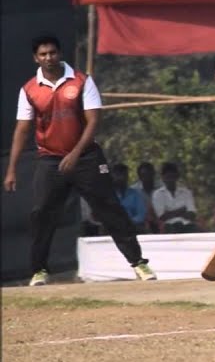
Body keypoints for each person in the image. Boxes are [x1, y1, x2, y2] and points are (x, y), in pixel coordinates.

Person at [4, 35, 156, 285]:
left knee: (109, 208)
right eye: (43, 54)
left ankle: (138, 263)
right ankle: (39, 270)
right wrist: (11, 169)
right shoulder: (29, 89)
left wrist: (75, 154)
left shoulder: (82, 80)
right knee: (41, 214)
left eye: (52, 52)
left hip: (86, 157)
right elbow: (22, 129)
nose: (49, 58)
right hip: (51, 159)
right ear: (35, 58)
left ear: (60, 53)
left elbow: (93, 121)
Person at [152, 161, 199, 233]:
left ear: (177, 177)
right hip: (168, 226)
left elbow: (192, 214)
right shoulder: (158, 194)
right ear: (163, 177)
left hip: (187, 224)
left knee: (199, 231)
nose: (170, 180)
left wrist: (170, 213)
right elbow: (162, 217)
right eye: (168, 177)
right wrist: (181, 210)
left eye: (172, 177)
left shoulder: (186, 192)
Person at [110, 163, 149, 232]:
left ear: (127, 177)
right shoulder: (109, 195)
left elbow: (141, 214)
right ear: (113, 177)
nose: (120, 178)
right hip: (113, 227)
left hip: (132, 226)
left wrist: (129, 221)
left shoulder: (135, 194)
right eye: (118, 175)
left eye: (123, 175)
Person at [131, 161, 161, 233]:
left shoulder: (161, 188)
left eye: (149, 174)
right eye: (143, 175)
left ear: (153, 174)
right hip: (141, 223)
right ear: (139, 177)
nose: (147, 177)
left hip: (159, 220)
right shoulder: (134, 190)